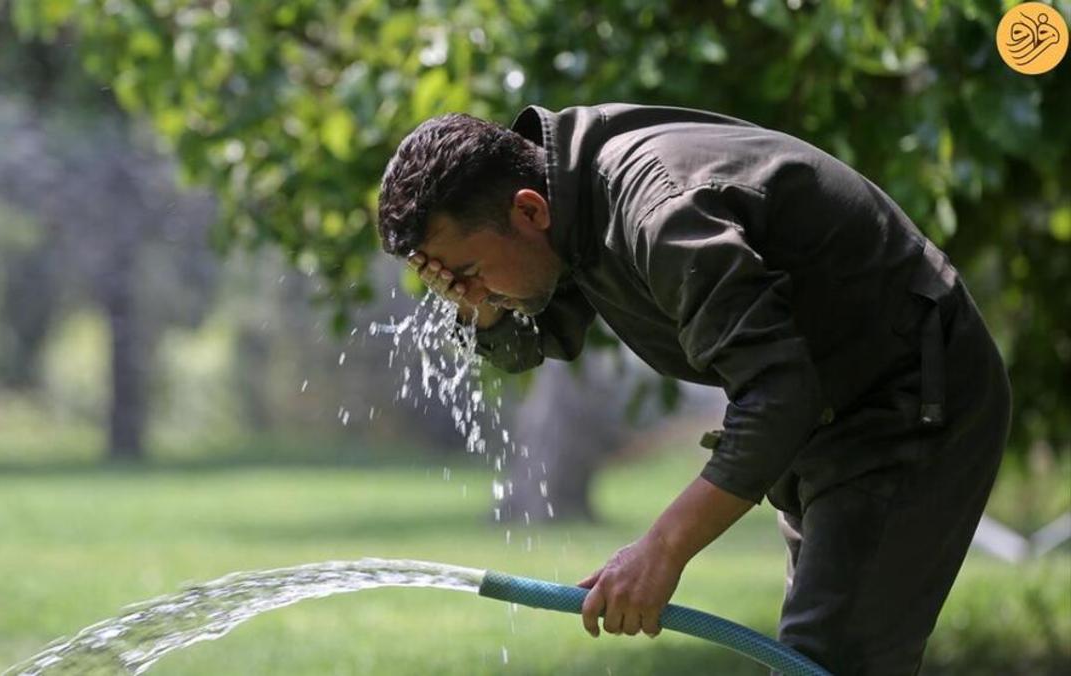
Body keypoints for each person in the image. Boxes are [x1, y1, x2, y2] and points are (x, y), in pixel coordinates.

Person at [375, 103, 1011, 675]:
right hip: (828, 411)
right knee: (817, 657)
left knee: (829, 661)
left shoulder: (661, 211)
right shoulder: (564, 205)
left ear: (528, 211)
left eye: (471, 273)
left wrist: (661, 550)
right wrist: (473, 293)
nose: (471, 296)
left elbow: (778, 392)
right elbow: (526, 339)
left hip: (906, 394)